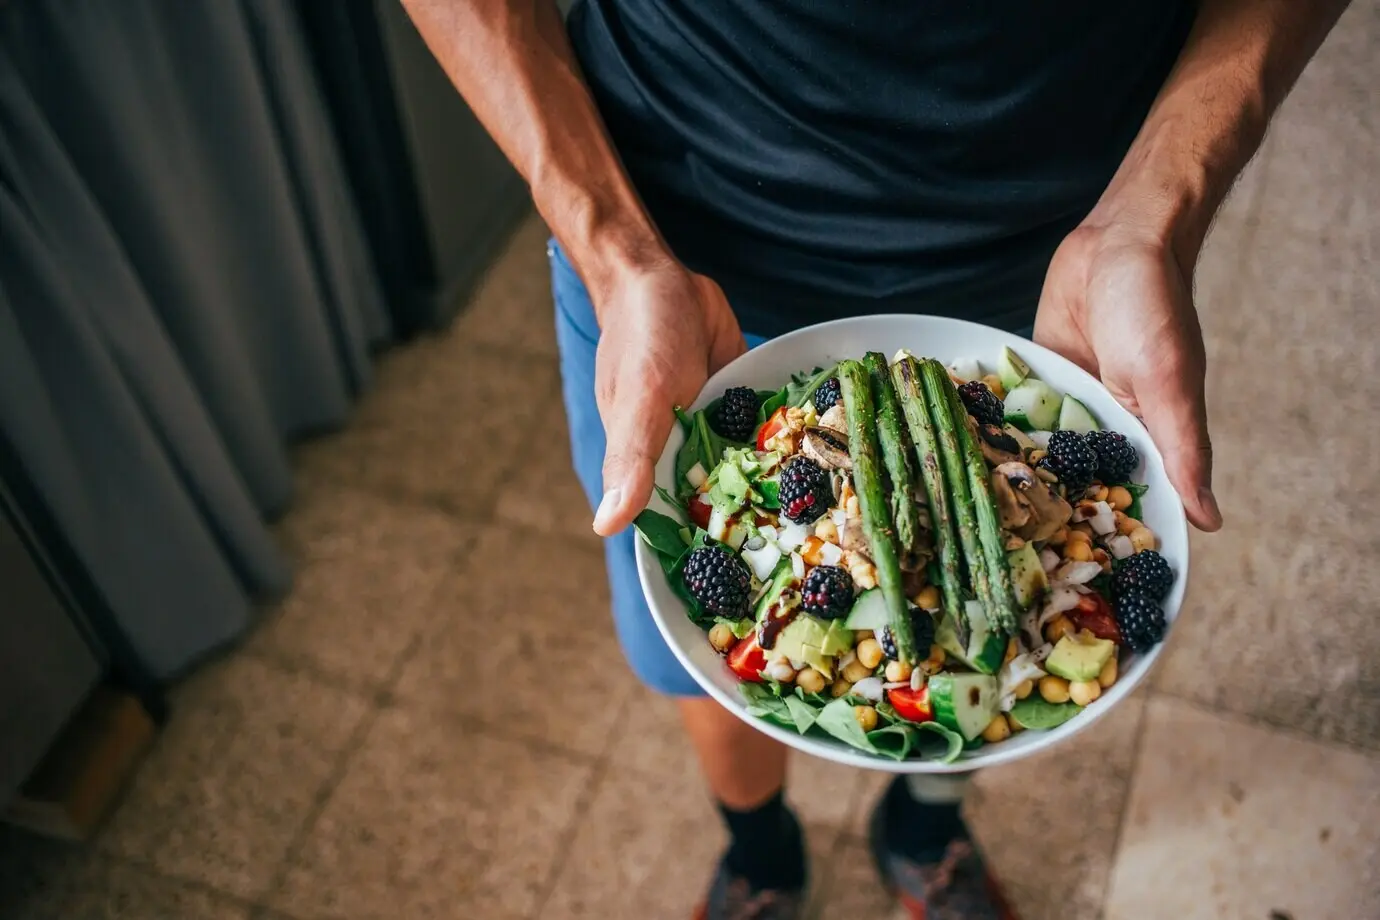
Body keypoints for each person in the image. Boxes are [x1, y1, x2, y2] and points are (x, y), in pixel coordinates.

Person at [401, 1, 1348, 916]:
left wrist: (1155, 210)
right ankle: (759, 849)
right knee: (685, 649)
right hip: (665, 249)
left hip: (1055, 261)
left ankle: (928, 830)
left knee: (991, 634)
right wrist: (613, 250)